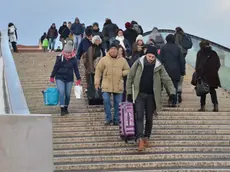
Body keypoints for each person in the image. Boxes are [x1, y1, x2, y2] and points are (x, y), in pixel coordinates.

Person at [126, 45, 175, 151]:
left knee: (149, 117)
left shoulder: (159, 66)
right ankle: (139, 139)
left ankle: (146, 136)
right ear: (146, 55)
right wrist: (129, 93)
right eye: (149, 56)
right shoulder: (138, 63)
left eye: (153, 57)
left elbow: (166, 79)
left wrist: (172, 92)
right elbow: (130, 77)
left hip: (151, 96)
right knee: (139, 116)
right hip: (139, 94)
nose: (151, 58)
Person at [94, 43, 130, 126]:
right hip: (106, 84)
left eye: (115, 49)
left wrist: (121, 73)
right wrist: (97, 83)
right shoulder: (104, 59)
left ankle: (116, 119)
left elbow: (128, 69)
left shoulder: (123, 60)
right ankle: (108, 118)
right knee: (106, 100)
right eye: (111, 49)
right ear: (109, 50)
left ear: (117, 50)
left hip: (118, 84)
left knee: (118, 103)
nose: (113, 50)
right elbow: (98, 71)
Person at [50, 40, 81, 116]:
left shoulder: (74, 59)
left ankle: (66, 106)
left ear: (71, 52)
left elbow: (76, 69)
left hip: (69, 78)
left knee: (67, 94)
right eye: (66, 52)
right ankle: (62, 108)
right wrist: (52, 76)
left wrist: (78, 78)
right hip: (60, 77)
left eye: (68, 53)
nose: (67, 54)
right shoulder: (60, 57)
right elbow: (55, 67)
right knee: (61, 92)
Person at [195, 40, 220, 112]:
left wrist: (198, 75)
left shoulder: (200, 53)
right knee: (212, 90)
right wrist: (214, 71)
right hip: (212, 75)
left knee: (203, 91)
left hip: (203, 74)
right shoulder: (213, 53)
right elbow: (218, 64)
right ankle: (216, 106)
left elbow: (198, 65)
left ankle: (202, 107)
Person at [160, 34, 185, 106]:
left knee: (167, 85)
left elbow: (160, 59)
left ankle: (170, 96)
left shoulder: (163, 48)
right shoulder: (178, 48)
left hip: (166, 70)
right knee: (175, 86)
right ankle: (174, 102)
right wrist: (182, 71)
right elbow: (181, 60)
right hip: (176, 70)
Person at [174, 27, 188, 103]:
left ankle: (175, 95)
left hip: (178, 55)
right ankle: (179, 92)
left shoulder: (177, 35)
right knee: (180, 78)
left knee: (176, 79)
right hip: (184, 53)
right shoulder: (184, 35)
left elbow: (176, 44)